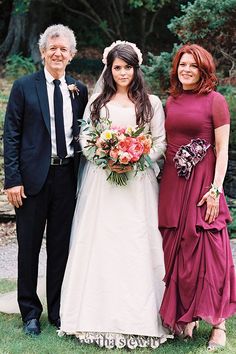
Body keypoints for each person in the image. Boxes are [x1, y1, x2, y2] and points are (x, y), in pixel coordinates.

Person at [59, 41, 173, 349]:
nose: (122, 73)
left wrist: (136, 161)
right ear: (110, 70)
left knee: (136, 241)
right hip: (103, 183)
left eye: (128, 67)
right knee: (101, 240)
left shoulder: (151, 103)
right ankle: (93, 314)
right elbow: (85, 138)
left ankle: (142, 317)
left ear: (137, 69)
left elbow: (160, 142)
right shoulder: (98, 101)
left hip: (138, 184)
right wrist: (105, 159)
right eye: (117, 68)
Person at [3, 24, 88, 335]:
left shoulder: (79, 89)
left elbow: (83, 135)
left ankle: (58, 311)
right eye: (52, 48)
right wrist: (13, 179)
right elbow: (11, 136)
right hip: (31, 179)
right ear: (42, 53)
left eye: (63, 48)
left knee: (60, 247)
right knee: (28, 247)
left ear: (72, 55)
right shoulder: (24, 87)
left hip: (67, 177)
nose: (57, 52)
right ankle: (30, 313)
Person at [158, 44, 236, 351]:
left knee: (211, 252)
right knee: (177, 252)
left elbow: (222, 149)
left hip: (204, 184)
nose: (186, 69)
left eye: (193, 65)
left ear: (204, 70)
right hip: (173, 185)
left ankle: (219, 324)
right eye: (182, 64)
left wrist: (215, 189)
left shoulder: (215, 101)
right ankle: (187, 318)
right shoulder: (172, 100)